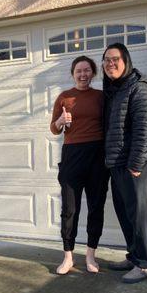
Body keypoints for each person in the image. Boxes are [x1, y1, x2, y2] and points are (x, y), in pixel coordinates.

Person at [102, 43, 147, 284]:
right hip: (117, 162)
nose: (109, 64)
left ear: (126, 61)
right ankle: (134, 256)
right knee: (124, 212)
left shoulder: (138, 87)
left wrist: (135, 164)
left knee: (137, 213)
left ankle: (145, 264)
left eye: (114, 59)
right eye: (105, 60)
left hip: (134, 163)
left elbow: (144, 129)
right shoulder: (115, 89)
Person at [50, 55, 110, 275]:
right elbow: (54, 129)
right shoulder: (64, 97)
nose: (83, 74)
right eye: (79, 71)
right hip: (72, 155)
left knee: (96, 207)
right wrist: (59, 122)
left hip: (97, 154)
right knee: (69, 209)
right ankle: (68, 257)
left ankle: (90, 256)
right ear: (73, 74)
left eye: (87, 70)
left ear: (93, 73)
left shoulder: (101, 97)